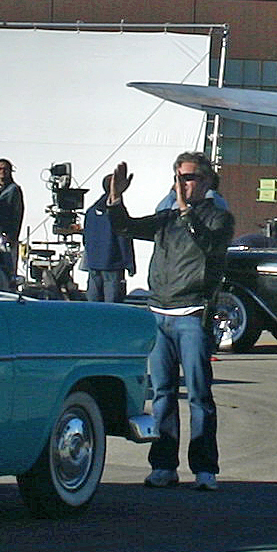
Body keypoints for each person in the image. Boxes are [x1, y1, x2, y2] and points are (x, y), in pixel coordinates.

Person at [102, 152, 237, 489]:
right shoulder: (166, 218)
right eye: (177, 177)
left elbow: (206, 245)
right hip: (159, 312)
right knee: (162, 393)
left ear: (206, 182)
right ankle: (163, 465)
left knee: (199, 394)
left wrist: (186, 212)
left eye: (188, 178)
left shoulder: (218, 218)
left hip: (192, 314)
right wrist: (116, 199)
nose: (181, 184)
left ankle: (205, 470)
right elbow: (125, 227)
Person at [80, 185, 132, 303]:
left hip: (93, 262)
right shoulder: (117, 213)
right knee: (112, 304)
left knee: (93, 301)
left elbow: (86, 237)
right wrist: (129, 263)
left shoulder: (91, 212)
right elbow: (123, 238)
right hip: (113, 264)